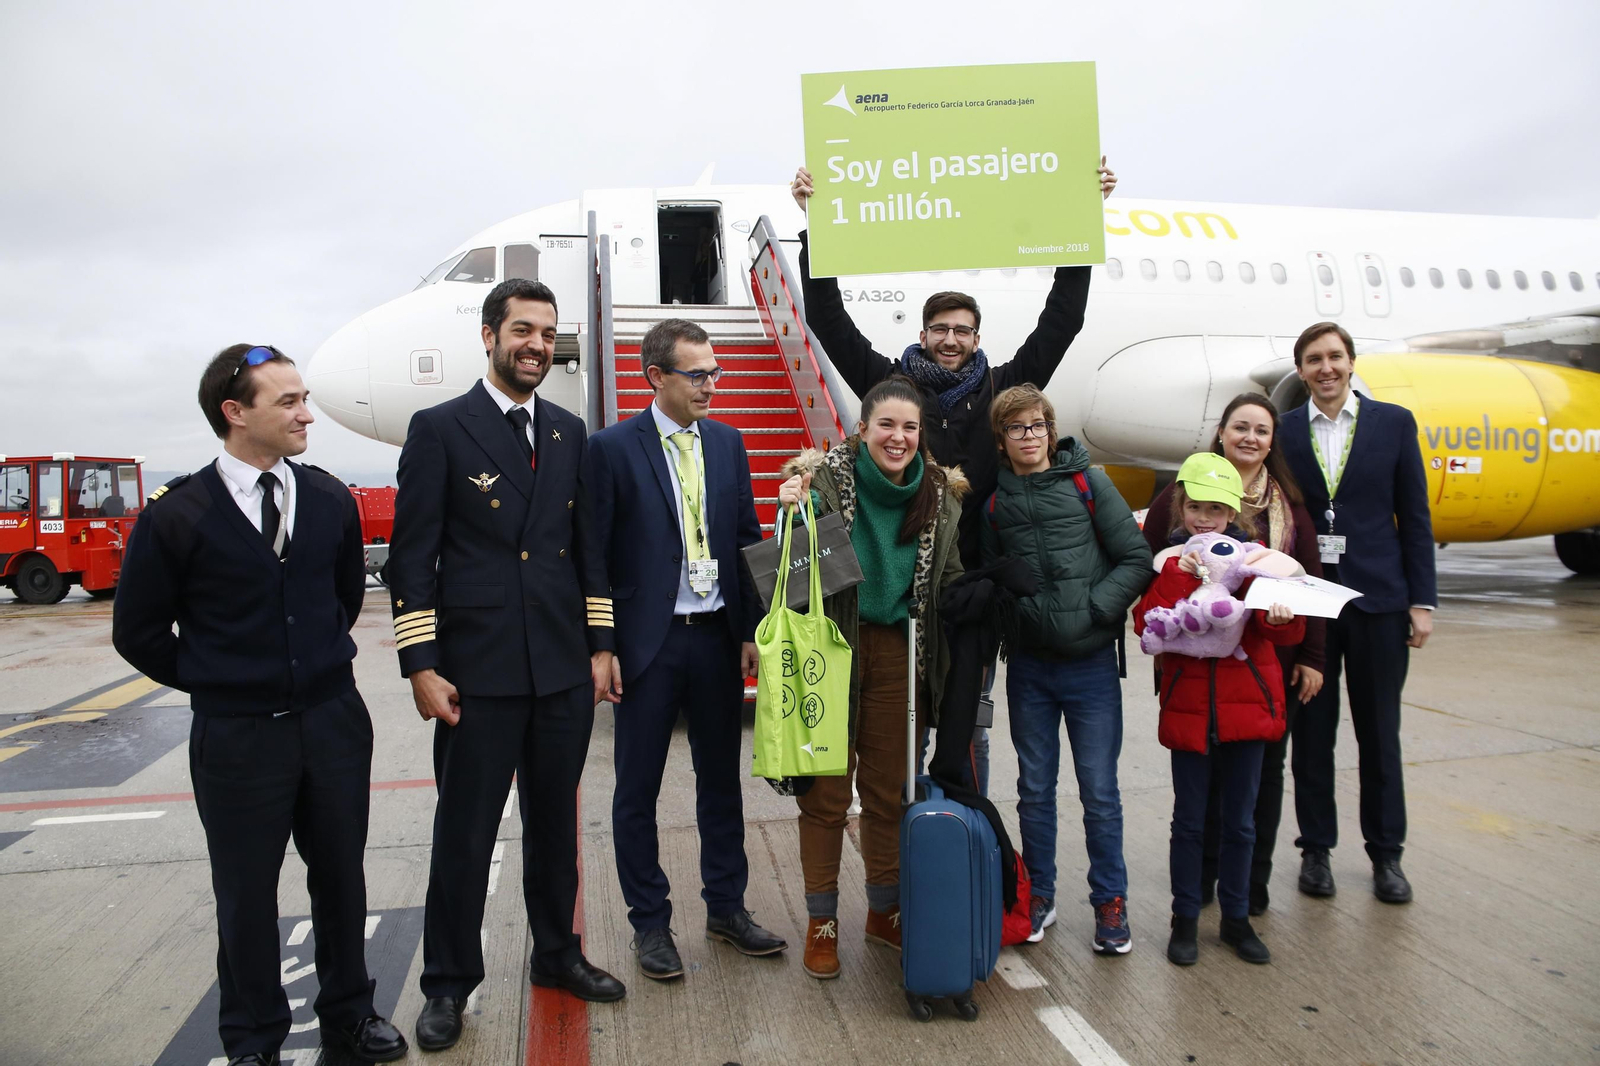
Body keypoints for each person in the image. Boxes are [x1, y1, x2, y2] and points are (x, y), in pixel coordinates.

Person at [113, 345, 406, 1066]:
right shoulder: (177, 516)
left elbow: (341, 601)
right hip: (239, 738)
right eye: (287, 402)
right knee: (245, 895)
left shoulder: (331, 499)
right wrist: (220, 680)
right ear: (235, 413)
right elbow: (139, 633)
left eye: (303, 397)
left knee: (341, 877)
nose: (306, 413)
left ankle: (350, 1014)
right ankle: (252, 1040)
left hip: (333, 723)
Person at [788, 158, 1118, 794]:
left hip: (971, 591)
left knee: (970, 726)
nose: (950, 340)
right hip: (906, 590)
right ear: (922, 333)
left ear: (976, 337)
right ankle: (909, 827)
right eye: (940, 329)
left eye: (962, 331)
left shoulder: (1003, 389)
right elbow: (829, 322)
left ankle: (964, 827)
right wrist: (816, 227)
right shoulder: (894, 388)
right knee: (904, 724)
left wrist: (1083, 223)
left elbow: (1062, 322)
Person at [385, 279, 624, 1052]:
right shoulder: (440, 429)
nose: (535, 345)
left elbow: (589, 550)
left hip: (557, 667)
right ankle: (448, 984)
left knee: (556, 830)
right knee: (466, 835)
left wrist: (600, 645)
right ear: (488, 337)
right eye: (522, 330)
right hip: (477, 673)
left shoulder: (566, 430)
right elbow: (410, 558)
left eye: (546, 333)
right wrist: (420, 663)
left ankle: (557, 954)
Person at [586, 318, 787, 981]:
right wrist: (603, 645)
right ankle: (651, 924)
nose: (711, 385)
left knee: (721, 785)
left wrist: (752, 630)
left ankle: (726, 907)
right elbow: (594, 555)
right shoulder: (613, 449)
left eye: (715, 372)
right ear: (656, 378)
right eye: (697, 374)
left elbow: (745, 537)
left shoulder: (728, 444)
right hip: (650, 643)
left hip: (716, 637)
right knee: (636, 791)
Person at [773, 376, 967, 980]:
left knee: (890, 793)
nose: (899, 437)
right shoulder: (820, 484)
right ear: (862, 429)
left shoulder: (939, 494)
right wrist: (791, 513)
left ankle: (883, 911)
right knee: (826, 796)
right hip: (833, 652)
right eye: (886, 425)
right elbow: (792, 571)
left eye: (910, 427)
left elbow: (950, 579)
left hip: (903, 653)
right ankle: (821, 921)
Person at [979, 384, 1152, 953]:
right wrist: (1014, 612)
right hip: (1030, 666)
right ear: (1001, 441)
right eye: (1015, 428)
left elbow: (1136, 558)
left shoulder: (1088, 483)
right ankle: (1042, 896)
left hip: (1091, 667)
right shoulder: (995, 503)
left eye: (1035, 426)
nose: (1027, 437)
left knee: (1100, 792)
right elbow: (989, 576)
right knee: (1034, 788)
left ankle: (1109, 902)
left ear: (1050, 431)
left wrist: (1098, 609)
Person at [1142, 394, 1326, 915]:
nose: (1250, 437)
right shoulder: (1180, 506)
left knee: (1257, 786)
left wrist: (1309, 652)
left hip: (1262, 671)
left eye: (1261, 430)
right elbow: (1145, 569)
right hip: (1190, 670)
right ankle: (1198, 887)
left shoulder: (1286, 507)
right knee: (1200, 794)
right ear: (1221, 433)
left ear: (1272, 442)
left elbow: (1308, 579)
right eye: (1239, 427)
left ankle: (1248, 891)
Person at [1277, 321, 1436, 904]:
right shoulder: (1286, 431)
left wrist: (1422, 602)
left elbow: (1414, 518)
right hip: (1313, 602)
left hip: (1379, 602)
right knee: (1313, 733)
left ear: (1351, 362)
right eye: (1314, 359)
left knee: (1379, 734)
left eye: (1336, 357)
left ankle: (1386, 855)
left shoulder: (1392, 424)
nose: (1327, 368)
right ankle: (1315, 850)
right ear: (1301, 371)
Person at [1133, 453, 1305, 967]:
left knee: (1240, 823)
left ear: (1232, 515)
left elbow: (1288, 632)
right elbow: (1149, 621)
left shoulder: (1253, 563)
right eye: (1195, 508)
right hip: (1189, 710)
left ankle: (1235, 919)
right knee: (1188, 822)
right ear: (1182, 511)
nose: (1204, 518)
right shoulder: (1168, 564)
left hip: (1245, 710)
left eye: (1215, 509)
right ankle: (1184, 918)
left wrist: (1276, 616)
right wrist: (1184, 577)